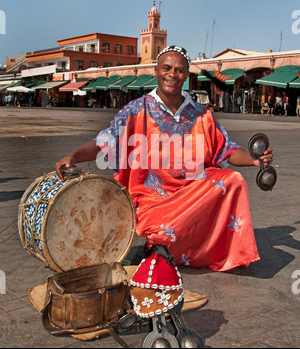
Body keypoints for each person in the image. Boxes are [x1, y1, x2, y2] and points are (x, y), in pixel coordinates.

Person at [55, 45, 273, 272]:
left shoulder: (202, 114)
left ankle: (186, 249)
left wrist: (255, 161)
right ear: (156, 71)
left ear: (186, 75)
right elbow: (105, 142)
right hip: (153, 198)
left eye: (179, 70)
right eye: (167, 68)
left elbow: (225, 149)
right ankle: (165, 245)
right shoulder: (136, 111)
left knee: (233, 180)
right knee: (164, 228)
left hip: (193, 191)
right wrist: (75, 156)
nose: (172, 74)